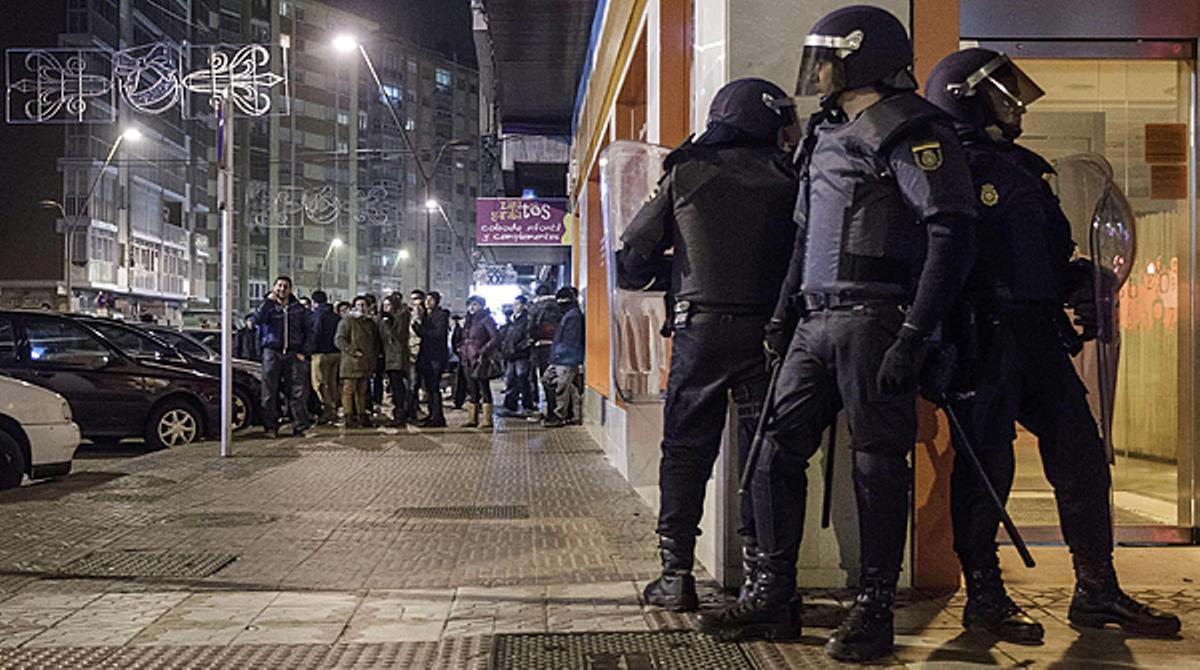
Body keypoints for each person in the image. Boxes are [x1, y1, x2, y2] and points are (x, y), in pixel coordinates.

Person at [697, 7, 978, 663]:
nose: (816, 71)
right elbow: (805, 235)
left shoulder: (911, 128)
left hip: (876, 319)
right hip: (814, 321)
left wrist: (916, 333)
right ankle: (772, 596)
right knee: (771, 453)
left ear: (859, 57)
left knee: (879, 463)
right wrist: (780, 312)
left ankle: (874, 608)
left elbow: (950, 232)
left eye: (825, 57)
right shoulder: (825, 135)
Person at [924, 48, 1180, 642]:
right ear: (967, 97)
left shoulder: (1023, 167)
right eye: (1001, 92)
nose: (1014, 104)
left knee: (1082, 454)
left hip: (1037, 333)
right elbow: (938, 258)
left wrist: (1079, 280)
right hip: (981, 335)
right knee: (987, 466)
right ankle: (984, 596)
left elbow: (1048, 252)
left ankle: (1096, 589)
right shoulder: (947, 166)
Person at [615, 77, 799, 613]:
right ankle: (762, 579)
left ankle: (676, 576)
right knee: (765, 456)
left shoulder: (687, 172)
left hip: (700, 330)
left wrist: (677, 275)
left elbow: (631, 257)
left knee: (685, 454)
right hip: (771, 334)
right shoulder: (790, 175)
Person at [255, 276, 315, 438]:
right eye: (279, 286)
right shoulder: (267, 306)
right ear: (274, 287)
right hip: (272, 352)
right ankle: (270, 427)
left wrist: (304, 352)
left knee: (298, 391)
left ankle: (299, 427)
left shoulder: (298, 309)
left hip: (294, 353)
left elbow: (309, 331)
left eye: (286, 286)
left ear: (290, 289)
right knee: (269, 392)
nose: (282, 289)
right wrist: (268, 302)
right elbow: (258, 320)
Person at [335, 295, 380, 428]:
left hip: (366, 363)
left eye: (364, 305)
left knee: (362, 391)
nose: (361, 307)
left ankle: (362, 415)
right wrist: (352, 351)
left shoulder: (370, 323)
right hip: (351, 363)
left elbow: (374, 342)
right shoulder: (347, 321)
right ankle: (349, 416)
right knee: (348, 390)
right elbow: (339, 339)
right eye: (358, 305)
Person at [542, 287, 584, 428]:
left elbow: (570, 340)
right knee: (550, 381)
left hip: (566, 359)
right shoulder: (570, 314)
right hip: (560, 358)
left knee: (561, 388)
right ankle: (565, 414)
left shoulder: (572, 316)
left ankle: (559, 416)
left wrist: (559, 354)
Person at [460, 296, 502, 429]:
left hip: (480, 359)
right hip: (467, 358)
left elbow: (495, 338)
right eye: (470, 305)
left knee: (484, 388)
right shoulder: (467, 321)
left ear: (482, 306)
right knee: (472, 389)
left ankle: (487, 419)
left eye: (475, 305)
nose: (472, 308)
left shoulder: (486, 320)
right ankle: (472, 418)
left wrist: (484, 350)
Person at [414, 290, 450, 427]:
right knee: (429, 388)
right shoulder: (426, 315)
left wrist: (420, 329)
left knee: (434, 388)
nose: (428, 302)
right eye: (427, 300)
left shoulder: (440, 315)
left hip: (436, 357)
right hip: (426, 357)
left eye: (431, 300)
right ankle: (432, 415)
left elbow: (437, 334)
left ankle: (437, 417)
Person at [378, 293, 412, 428]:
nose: (386, 308)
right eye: (384, 305)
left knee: (398, 387)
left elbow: (397, 339)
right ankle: (399, 412)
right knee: (393, 386)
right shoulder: (383, 319)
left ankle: (400, 414)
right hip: (386, 357)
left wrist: (387, 325)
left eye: (389, 305)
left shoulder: (400, 318)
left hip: (397, 358)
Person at [528, 283, 562, 418]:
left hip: (541, 346)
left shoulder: (536, 307)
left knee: (546, 378)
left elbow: (530, 327)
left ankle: (550, 411)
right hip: (558, 346)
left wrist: (532, 340)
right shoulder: (559, 307)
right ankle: (557, 410)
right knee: (556, 378)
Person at [309, 290, 341, 425]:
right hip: (336, 353)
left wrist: (309, 350)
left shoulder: (317, 315)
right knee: (332, 383)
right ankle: (334, 406)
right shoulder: (336, 316)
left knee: (319, 384)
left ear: (314, 302)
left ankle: (329, 411)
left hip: (320, 354)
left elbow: (315, 333)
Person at [500, 296, 536, 414]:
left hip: (522, 355)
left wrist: (519, 347)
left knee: (523, 378)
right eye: (514, 304)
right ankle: (510, 405)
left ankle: (527, 406)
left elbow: (529, 337)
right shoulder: (511, 320)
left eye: (518, 304)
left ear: (524, 305)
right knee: (510, 380)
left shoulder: (528, 319)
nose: (515, 307)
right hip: (510, 355)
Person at [407, 290, 428, 421]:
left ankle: (414, 409)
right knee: (412, 384)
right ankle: (411, 410)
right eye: (413, 299)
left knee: (416, 384)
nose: (416, 303)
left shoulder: (424, 315)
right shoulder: (409, 316)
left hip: (422, 352)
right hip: (412, 353)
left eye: (418, 299)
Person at [450, 314, 467, 409]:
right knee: (458, 379)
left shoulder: (459, 329)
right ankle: (457, 399)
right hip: (455, 357)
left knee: (460, 379)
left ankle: (459, 399)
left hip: (459, 357)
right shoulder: (454, 329)